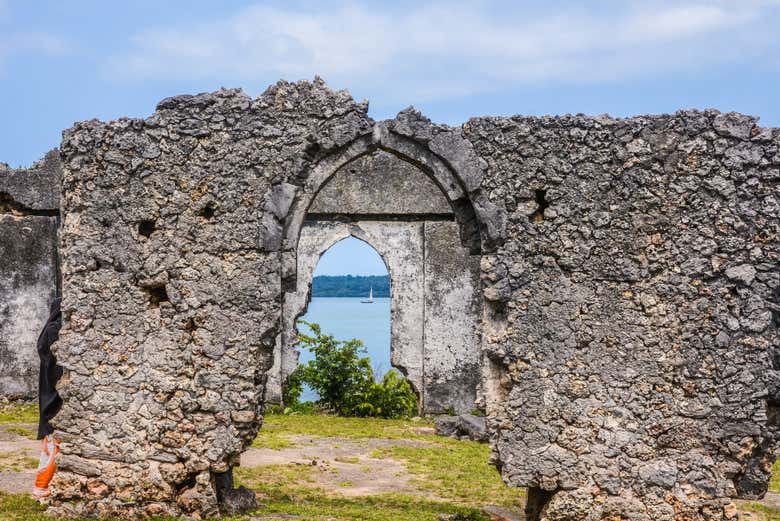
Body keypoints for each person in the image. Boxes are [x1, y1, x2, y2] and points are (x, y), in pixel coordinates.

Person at [32, 297, 63, 499]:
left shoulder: (48, 331)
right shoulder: (56, 331)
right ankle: (41, 488)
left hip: (48, 396)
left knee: (49, 444)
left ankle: (42, 486)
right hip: (54, 397)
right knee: (53, 446)